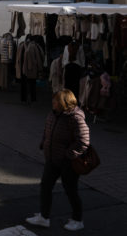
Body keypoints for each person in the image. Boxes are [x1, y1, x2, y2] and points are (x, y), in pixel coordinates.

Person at [26, 89, 90, 232]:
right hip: (52, 159)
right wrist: (44, 142)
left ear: (63, 102)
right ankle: (44, 217)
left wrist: (68, 155)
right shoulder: (53, 114)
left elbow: (84, 141)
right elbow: (47, 129)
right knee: (46, 186)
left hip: (68, 162)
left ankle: (77, 219)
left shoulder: (75, 118)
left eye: (55, 101)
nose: (52, 102)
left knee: (71, 190)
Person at [16, 35, 45, 104]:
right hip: (31, 68)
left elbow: (18, 58)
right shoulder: (34, 46)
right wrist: (40, 68)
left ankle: (23, 99)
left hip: (23, 68)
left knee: (24, 84)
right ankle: (32, 98)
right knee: (32, 84)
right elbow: (39, 58)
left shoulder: (21, 45)